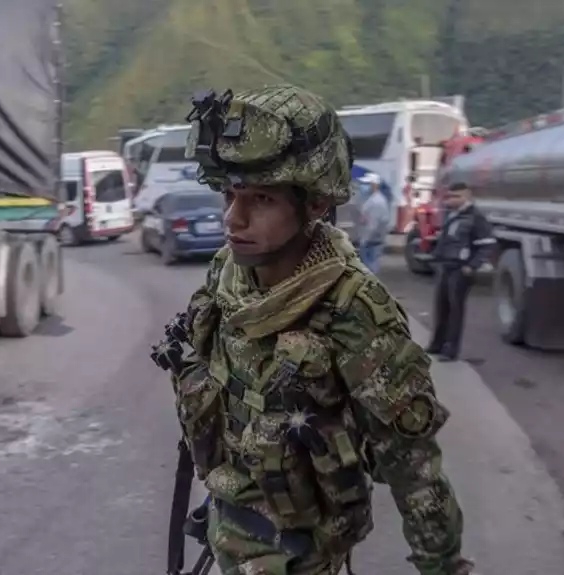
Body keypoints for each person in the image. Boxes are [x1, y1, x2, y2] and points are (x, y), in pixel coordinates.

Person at [157, 85, 474, 575]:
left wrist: (443, 566)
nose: (232, 217)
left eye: (261, 198)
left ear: (317, 205)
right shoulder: (228, 274)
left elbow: (415, 470)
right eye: (229, 194)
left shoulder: (354, 311)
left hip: (298, 558)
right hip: (225, 534)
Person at [427, 181, 495, 362]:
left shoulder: (476, 217)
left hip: (460, 269)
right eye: (449, 196)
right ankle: (437, 344)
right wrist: (436, 257)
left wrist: (471, 266)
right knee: (441, 308)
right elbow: (446, 240)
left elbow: (487, 245)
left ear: (467, 196)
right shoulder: (451, 215)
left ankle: (450, 350)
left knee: (456, 310)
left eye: (456, 196)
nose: (451, 200)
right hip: (446, 267)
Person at [356, 173, 391, 273]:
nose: (363, 186)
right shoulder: (374, 199)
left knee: (370, 266)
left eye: (366, 184)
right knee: (371, 265)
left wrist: (364, 240)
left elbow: (373, 224)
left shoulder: (376, 202)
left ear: (374, 185)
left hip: (371, 239)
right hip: (373, 238)